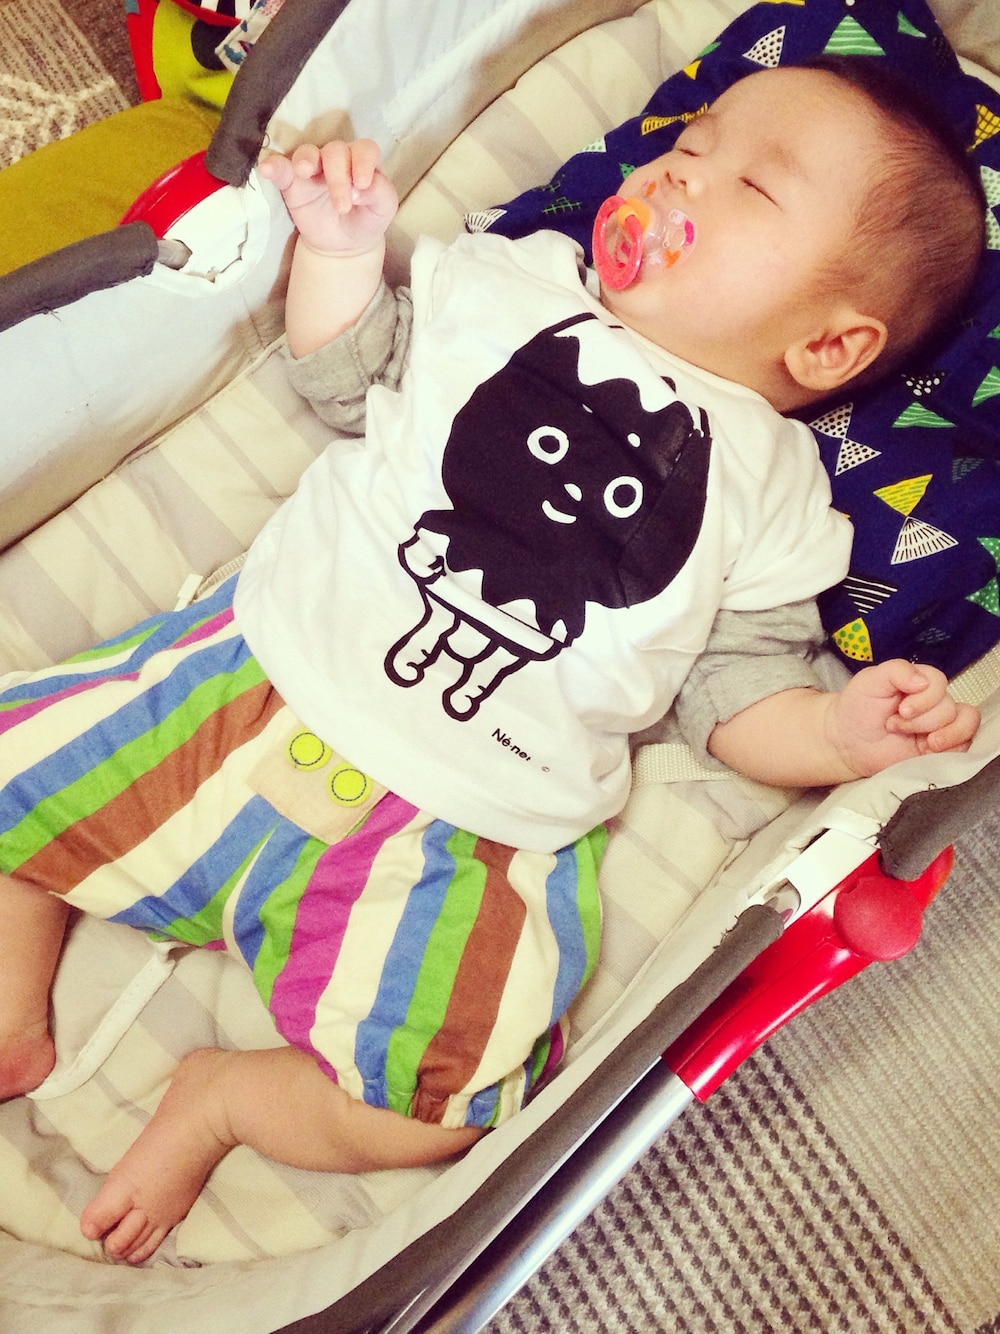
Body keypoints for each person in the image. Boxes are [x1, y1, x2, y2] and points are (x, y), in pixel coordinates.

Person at [0, 60, 984, 1264]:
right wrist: (341, 250)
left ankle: (223, 1098)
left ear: (828, 345)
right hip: (250, 679)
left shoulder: (772, 493)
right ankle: (18, 967)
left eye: (750, 186)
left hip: (461, 828)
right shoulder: (511, 284)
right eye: (691, 141)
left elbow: (733, 692)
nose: (680, 170)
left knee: (446, 1101)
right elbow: (345, 371)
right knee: (19, 768)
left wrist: (834, 733)